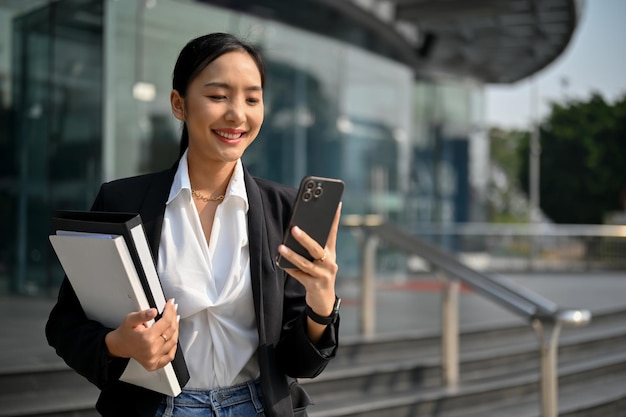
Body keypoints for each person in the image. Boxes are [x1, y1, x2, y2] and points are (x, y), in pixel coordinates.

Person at [46, 32, 341, 417]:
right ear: (178, 104)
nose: (238, 114)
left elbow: (300, 363)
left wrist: (321, 306)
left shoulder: (282, 209)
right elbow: (65, 325)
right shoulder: (122, 202)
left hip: (257, 407)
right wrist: (119, 344)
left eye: (252, 98)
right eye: (218, 96)